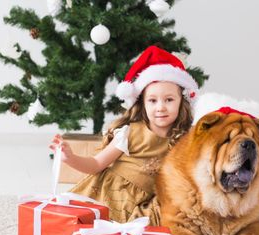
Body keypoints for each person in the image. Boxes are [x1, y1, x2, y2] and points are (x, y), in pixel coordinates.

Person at [49, 46, 199, 225]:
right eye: (152, 100)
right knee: (88, 229)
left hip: (143, 205)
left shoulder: (182, 139)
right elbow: (96, 164)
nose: (160, 107)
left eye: (169, 100)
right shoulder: (129, 133)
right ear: (142, 103)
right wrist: (70, 158)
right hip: (109, 195)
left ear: (181, 101)